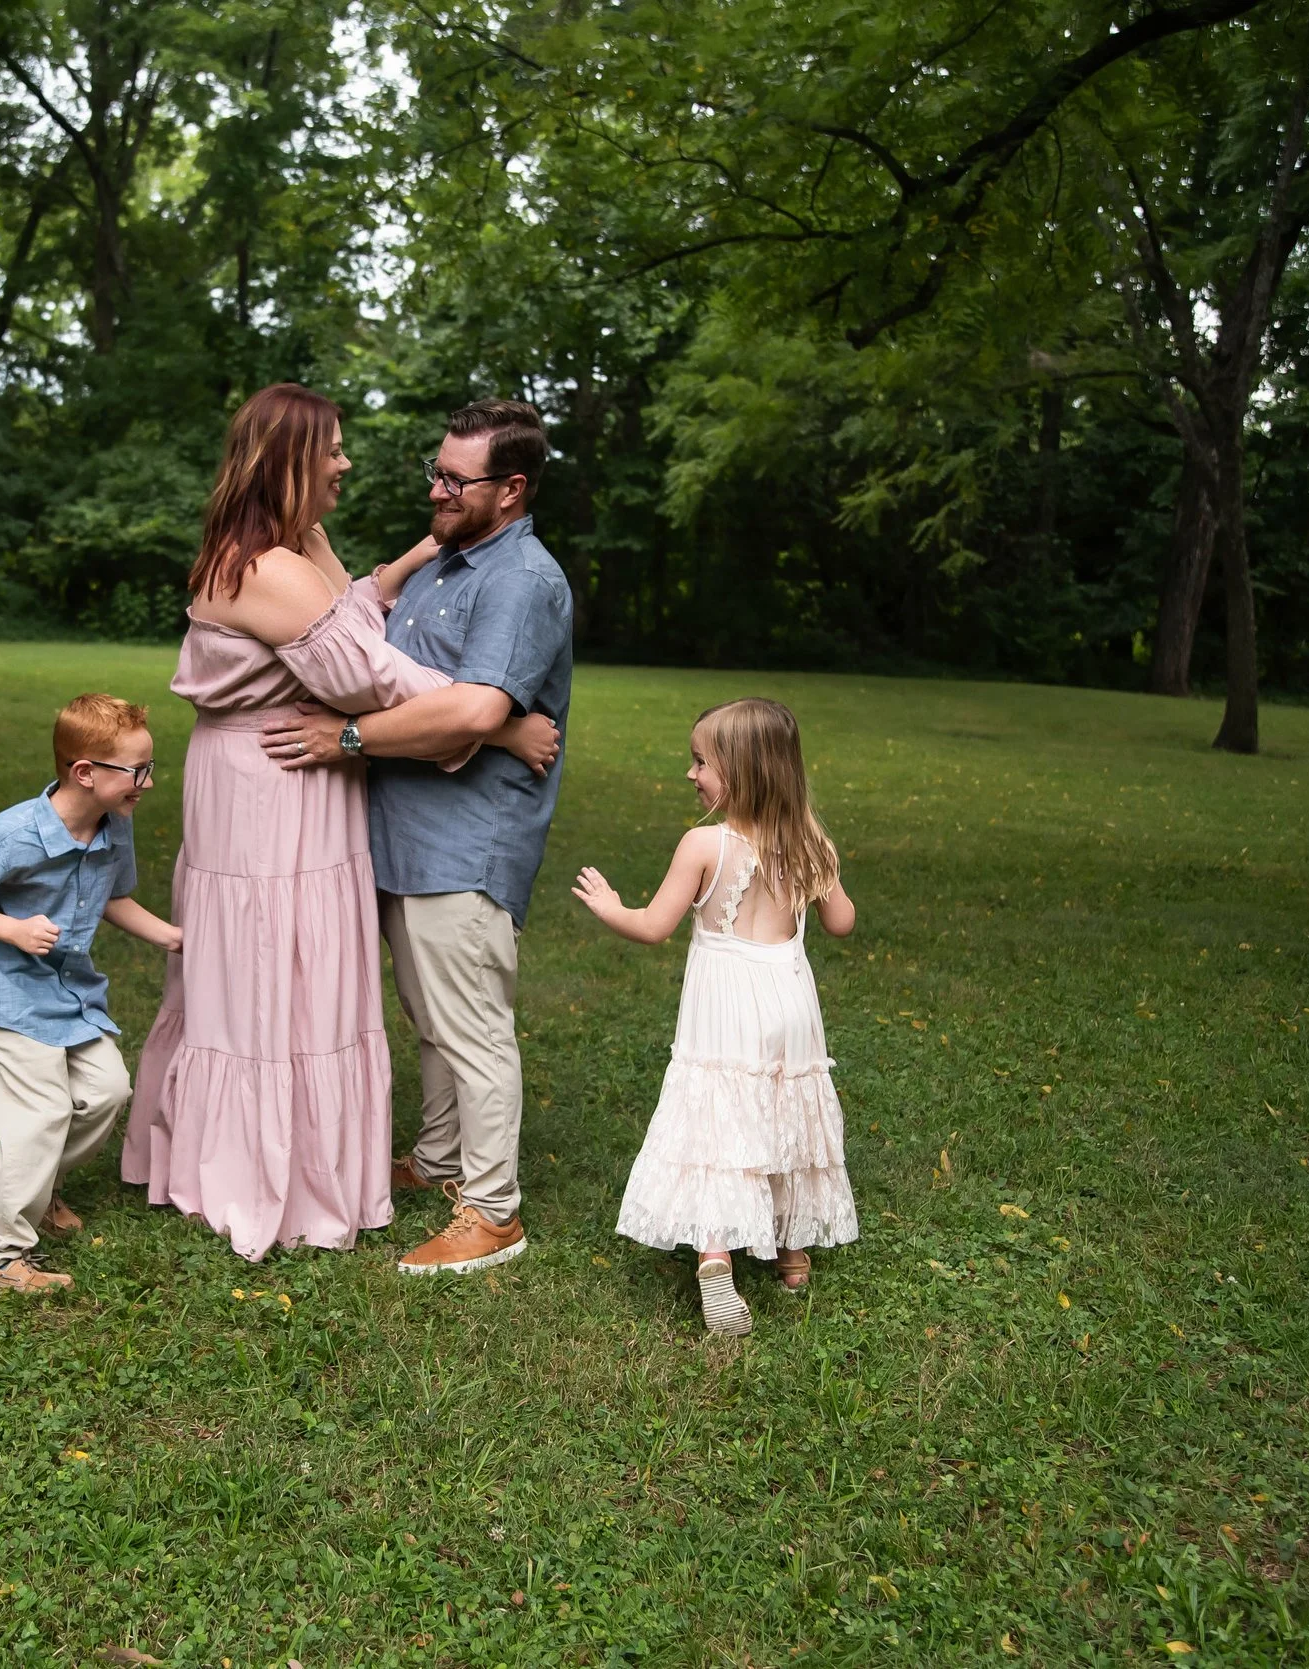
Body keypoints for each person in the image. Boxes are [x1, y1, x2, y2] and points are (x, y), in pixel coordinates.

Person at [124, 384, 560, 1262]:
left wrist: (398, 566)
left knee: (282, 968)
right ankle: (269, 1167)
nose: (347, 463)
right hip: (277, 782)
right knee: (272, 965)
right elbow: (371, 671)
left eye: (451, 476)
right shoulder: (268, 567)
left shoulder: (290, 546)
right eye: (333, 449)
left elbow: (354, 614)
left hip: (287, 773)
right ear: (289, 459)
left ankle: (393, 1168)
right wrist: (494, 719)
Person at [261, 399, 575, 1275]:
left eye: (453, 478)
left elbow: (472, 708)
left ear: (511, 490)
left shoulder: (520, 578)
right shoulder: (447, 560)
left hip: (467, 841)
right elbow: (396, 674)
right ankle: (438, 1162)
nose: (434, 488)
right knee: (432, 1018)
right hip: (402, 833)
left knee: (471, 1026)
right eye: (434, 470)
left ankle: (492, 1211)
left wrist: (348, 739)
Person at [568, 697, 859, 1336]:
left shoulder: (706, 844)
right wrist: (824, 862)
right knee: (785, 1107)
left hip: (724, 1005)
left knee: (718, 1116)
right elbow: (841, 922)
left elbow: (652, 927)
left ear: (744, 772)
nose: (691, 774)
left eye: (701, 762)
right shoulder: (809, 842)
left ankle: (716, 1256)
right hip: (787, 1001)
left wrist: (612, 906)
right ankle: (792, 1250)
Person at [0, 694, 183, 1294]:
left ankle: (37, 1187)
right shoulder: (8, 835)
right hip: (7, 991)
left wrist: (172, 937)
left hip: (70, 990)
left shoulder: (115, 827)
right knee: (43, 1114)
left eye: (149, 767)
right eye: (135, 771)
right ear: (85, 772)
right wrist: (13, 929)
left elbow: (114, 898)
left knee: (105, 1091)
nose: (147, 782)